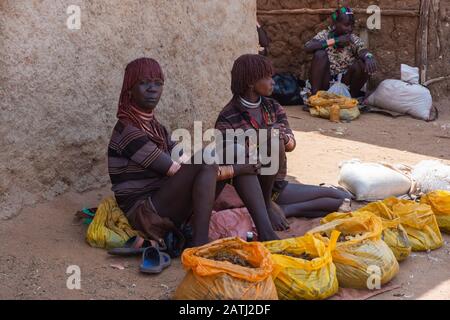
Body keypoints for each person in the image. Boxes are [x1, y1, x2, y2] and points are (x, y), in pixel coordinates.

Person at [108, 58, 276, 249]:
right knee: (210, 159)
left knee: (231, 152)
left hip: (165, 202)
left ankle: (266, 233)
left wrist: (232, 164)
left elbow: (186, 159)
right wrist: (236, 169)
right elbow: (179, 170)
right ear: (130, 89)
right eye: (143, 83)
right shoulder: (128, 131)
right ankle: (200, 241)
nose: (152, 89)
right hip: (146, 214)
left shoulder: (155, 127)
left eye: (158, 84)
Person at [215, 54, 352, 223]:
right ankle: (266, 205)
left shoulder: (273, 107)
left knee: (342, 197)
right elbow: (229, 157)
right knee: (271, 137)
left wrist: (284, 138)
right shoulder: (228, 116)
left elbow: (291, 144)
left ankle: (285, 209)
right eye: (267, 77)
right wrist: (265, 137)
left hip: (276, 184)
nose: (272, 81)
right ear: (251, 82)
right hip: (249, 187)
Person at [305, 6, 378, 98]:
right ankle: (314, 97)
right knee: (320, 54)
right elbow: (308, 47)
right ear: (335, 23)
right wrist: (335, 40)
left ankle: (352, 99)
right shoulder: (325, 35)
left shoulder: (352, 39)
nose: (350, 29)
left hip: (345, 83)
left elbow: (362, 50)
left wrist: (368, 56)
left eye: (352, 25)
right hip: (325, 84)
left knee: (362, 64)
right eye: (346, 25)